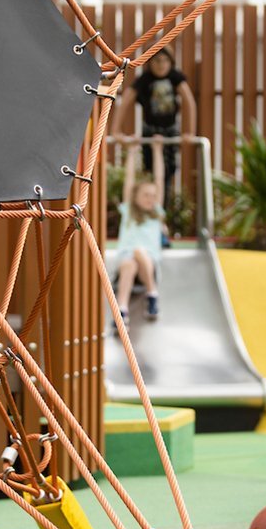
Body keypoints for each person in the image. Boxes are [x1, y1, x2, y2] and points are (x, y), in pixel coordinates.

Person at [112, 48, 196, 204]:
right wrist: (116, 131)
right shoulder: (145, 79)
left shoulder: (175, 78)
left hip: (170, 131)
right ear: (150, 63)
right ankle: (149, 206)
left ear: (171, 62)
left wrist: (189, 132)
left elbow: (189, 102)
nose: (161, 65)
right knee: (150, 169)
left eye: (165, 61)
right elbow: (125, 102)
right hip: (149, 131)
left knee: (168, 171)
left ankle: (162, 209)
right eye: (157, 61)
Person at [114, 140, 166, 327]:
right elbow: (129, 180)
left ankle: (152, 292)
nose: (150, 199)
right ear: (135, 196)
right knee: (129, 264)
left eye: (153, 196)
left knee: (138, 252)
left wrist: (157, 150)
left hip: (149, 260)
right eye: (145, 195)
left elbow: (159, 180)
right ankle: (122, 310)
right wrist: (131, 153)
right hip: (127, 258)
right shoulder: (128, 211)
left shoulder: (156, 214)